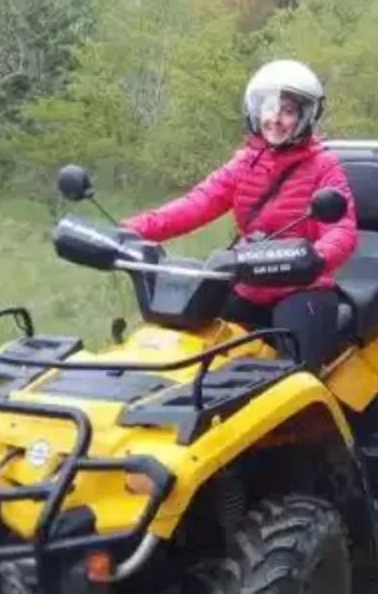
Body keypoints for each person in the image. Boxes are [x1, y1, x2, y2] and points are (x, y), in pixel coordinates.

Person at [121, 59, 358, 373]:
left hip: (302, 288)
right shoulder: (245, 162)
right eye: (269, 108)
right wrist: (131, 230)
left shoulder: (324, 166)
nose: (275, 119)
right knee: (180, 340)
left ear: (305, 116)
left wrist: (316, 256)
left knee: (294, 375)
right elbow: (196, 204)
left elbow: (343, 228)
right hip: (247, 283)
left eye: (288, 111)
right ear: (256, 110)